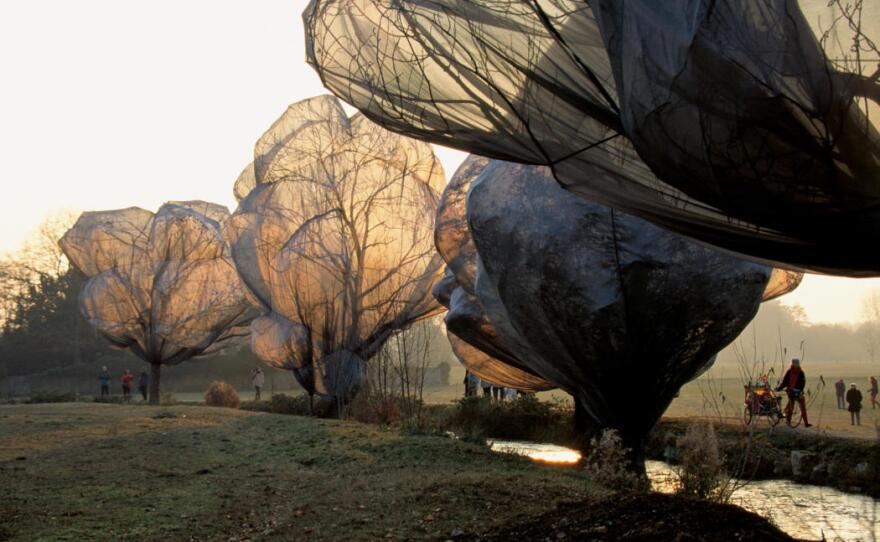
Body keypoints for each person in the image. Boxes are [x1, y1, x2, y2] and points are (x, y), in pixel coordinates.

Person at [775, 358, 812, 428]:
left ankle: (806, 423)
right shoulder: (789, 372)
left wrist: (800, 390)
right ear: (792, 364)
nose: (796, 366)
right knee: (791, 405)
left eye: (797, 364)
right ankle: (788, 421)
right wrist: (780, 388)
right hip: (791, 392)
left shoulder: (801, 372)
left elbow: (803, 383)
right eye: (795, 364)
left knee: (803, 407)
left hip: (798, 392)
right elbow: (785, 382)